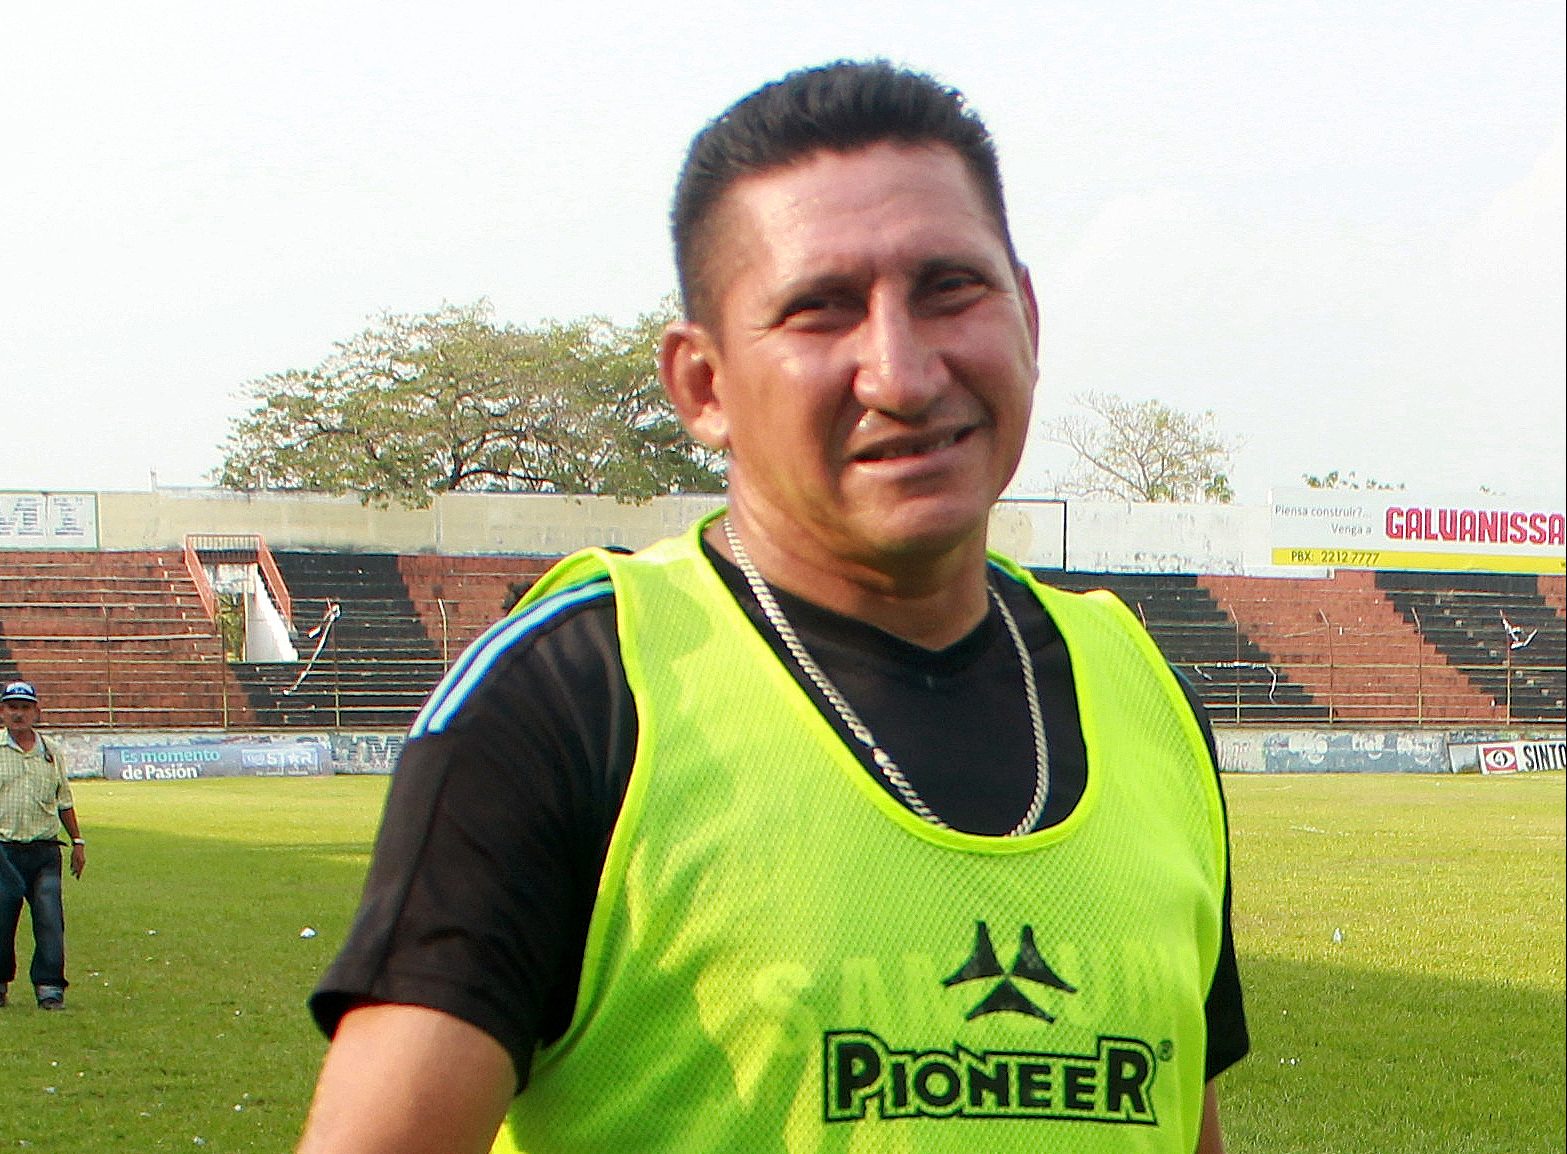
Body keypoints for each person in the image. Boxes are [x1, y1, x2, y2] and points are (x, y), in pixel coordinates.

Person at [299, 60, 1248, 1154]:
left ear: (1027, 316)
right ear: (702, 385)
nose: (901, 373)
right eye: (819, 310)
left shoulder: (1142, 694)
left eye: (949, 289)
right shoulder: (571, 697)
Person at [0, 680, 86, 1011]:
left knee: (50, 918)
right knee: (2, 919)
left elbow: (64, 800)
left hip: (45, 850)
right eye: (12, 707)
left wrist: (77, 841)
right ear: (3, 711)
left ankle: (49, 988)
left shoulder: (51, 752)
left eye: (25, 707)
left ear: (37, 711)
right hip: (4, 848)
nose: (18, 714)